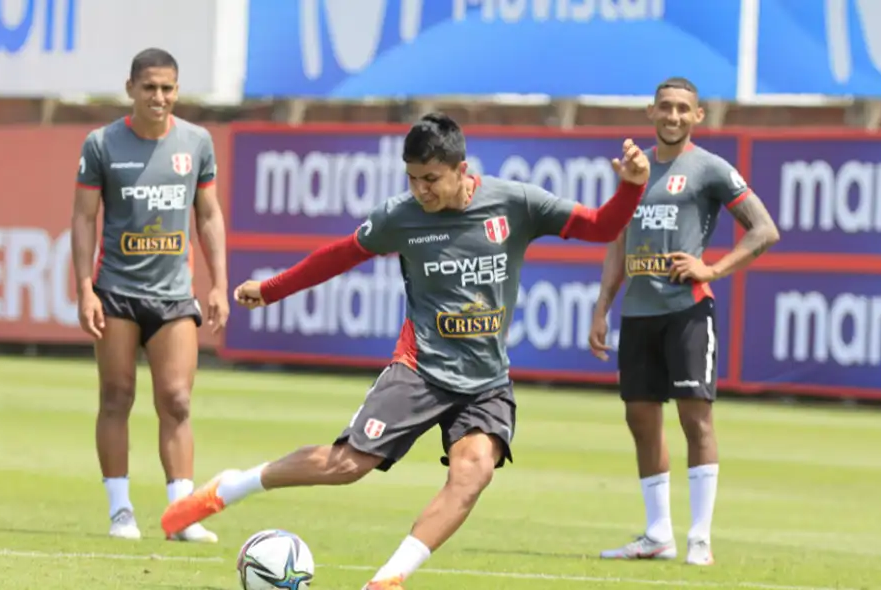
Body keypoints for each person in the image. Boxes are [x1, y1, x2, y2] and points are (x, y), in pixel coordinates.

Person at [161, 112, 650, 589]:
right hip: (420, 370)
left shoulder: (514, 202)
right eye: (413, 178)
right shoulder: (402, 216)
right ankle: (236, 485)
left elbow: (601, 227)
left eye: (431, 178)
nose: (421, 189)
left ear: (462, 170)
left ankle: (388, 580)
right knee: (348, 466)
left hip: (485, 381)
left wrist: (630, 187)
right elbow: (340, 255)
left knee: (474, 472)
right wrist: (272, 290)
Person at [591, 77, 781, 566]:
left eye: (683, 109)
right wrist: (602, 305)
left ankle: (699, 537)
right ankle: (658, 534)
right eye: (665, 108)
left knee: (695, 418)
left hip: (687, 311)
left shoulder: (710, 168)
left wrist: (712, 268)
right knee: (640, 418)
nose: (673, 116)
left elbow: (765, 229)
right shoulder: (635, 171)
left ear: (698, 116)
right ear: (650, 112)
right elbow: (618, 240)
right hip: (637, 312)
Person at [71, 48, 229, 542]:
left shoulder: (197, 142)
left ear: (177, 91)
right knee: (116, 396)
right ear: (131, 89)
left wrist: (219, 282)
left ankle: (180, 514)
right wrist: (83, 288)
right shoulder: (101, 144)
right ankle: (121, 511)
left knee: (177, 400)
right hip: (117, 290)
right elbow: (83, 218)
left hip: (174, 294)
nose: (159, 97)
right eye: (150, 88)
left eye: (167, 88)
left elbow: (208, 215)